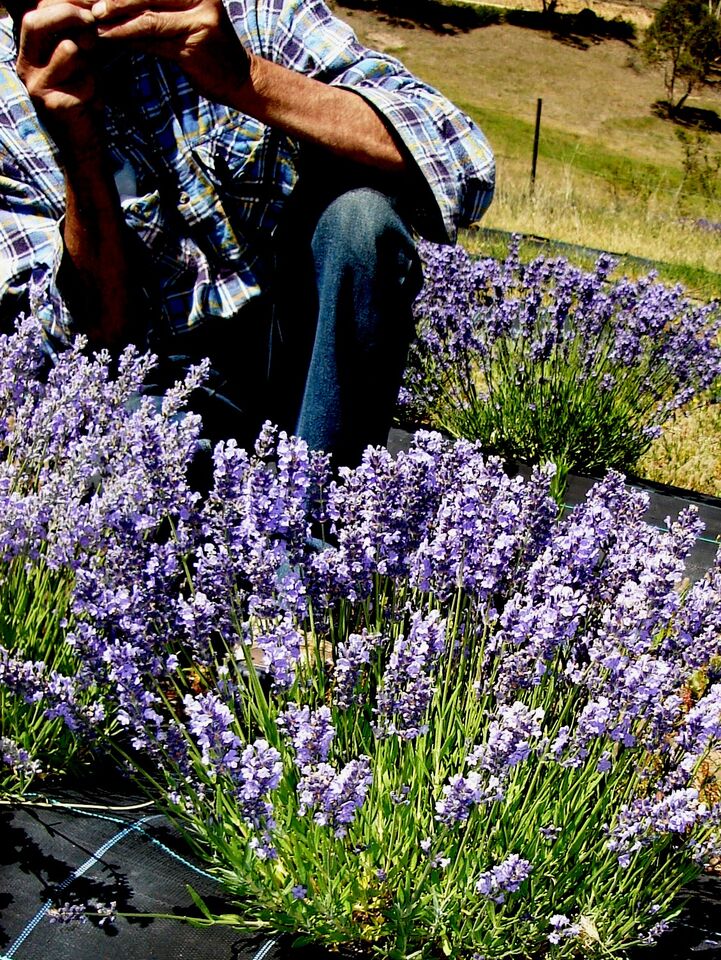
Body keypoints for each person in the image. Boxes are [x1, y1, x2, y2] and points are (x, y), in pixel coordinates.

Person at [0, 0, 494, 463]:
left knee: (361, 220)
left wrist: (245, 78)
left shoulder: (241, 11)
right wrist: (80, 153)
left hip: (309, 352)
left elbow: (462, 158)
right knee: (123, 444)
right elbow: (82, 351)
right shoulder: (7, 112)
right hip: (161, 388)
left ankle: (324, 519)